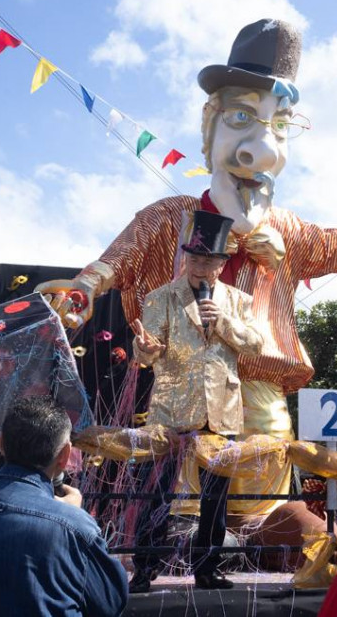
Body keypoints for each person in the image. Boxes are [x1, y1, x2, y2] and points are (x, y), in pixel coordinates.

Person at [36, 18, 337, 526]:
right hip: (183, 384)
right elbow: (114, 262)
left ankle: (262, 546)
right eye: (241, 117)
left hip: (258, 387)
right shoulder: (168, 217)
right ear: (209, 124)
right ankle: (170, 548)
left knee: (261, 492)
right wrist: (80, 291)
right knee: (180, 496)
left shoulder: (286, 230)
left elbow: (336, 244)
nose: (263, 149)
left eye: (279, 126)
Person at [128, 210, 264, 593]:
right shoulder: (160, 298)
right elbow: (147, 353)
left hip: (222, 409)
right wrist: (144, 348)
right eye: (195, 258)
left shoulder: (238, 301)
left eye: (209, 260)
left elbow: (256, 345)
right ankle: (145, 567)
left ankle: (206, 568)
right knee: (156, 489)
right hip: (172, 408)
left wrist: (221, 321)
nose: (201, 267)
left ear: (222, 265)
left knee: (215, 497)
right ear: (185, 258)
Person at [0, 396, 127, 617]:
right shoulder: (75, 526)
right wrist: (74, 517)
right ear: (65, 455)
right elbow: (110, 603)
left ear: (0, 444)